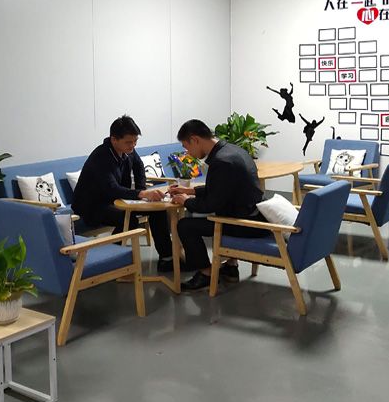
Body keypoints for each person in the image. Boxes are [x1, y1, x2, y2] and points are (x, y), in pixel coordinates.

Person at [168, 119, 266, 292]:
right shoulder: (233, 150)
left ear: (195, 139)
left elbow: (210, 205)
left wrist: (185, 201)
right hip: (255, 215)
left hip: (246, 224)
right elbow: (223, 188)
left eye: (186, 147)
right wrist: (190, 191)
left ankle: (206, 273)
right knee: (220, 214)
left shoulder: (221, 161)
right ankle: (231, 267)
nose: (188, 153)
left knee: (185, 226)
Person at [71, 115, 174, 268]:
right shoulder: (101, 157)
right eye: (128, 142)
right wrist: (142, 194)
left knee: (157, 210)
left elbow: (139, 167)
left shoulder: (127, 150)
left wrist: (141, 189)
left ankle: (167, 258)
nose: (132, 145)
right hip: (92, 206)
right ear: (114, 139)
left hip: (115, 200)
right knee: (128, 219)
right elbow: (111, 188)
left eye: (135, 141)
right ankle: (110, 260)